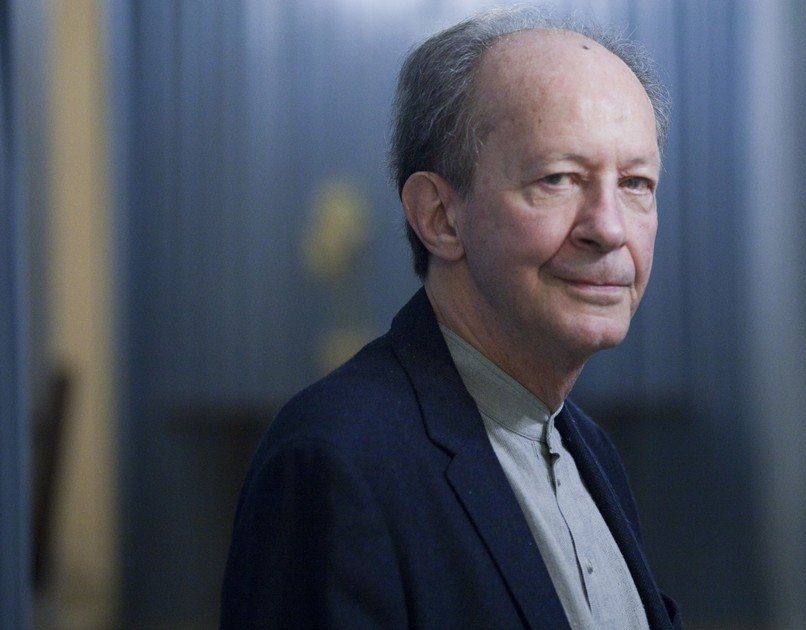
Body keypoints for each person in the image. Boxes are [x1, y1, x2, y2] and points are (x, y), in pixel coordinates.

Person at [220, 7, 680, 629]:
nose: (609, 228)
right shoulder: (334, 461)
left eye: (636, 183)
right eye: (558, 178)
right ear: (439, 217)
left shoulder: (587, 447)